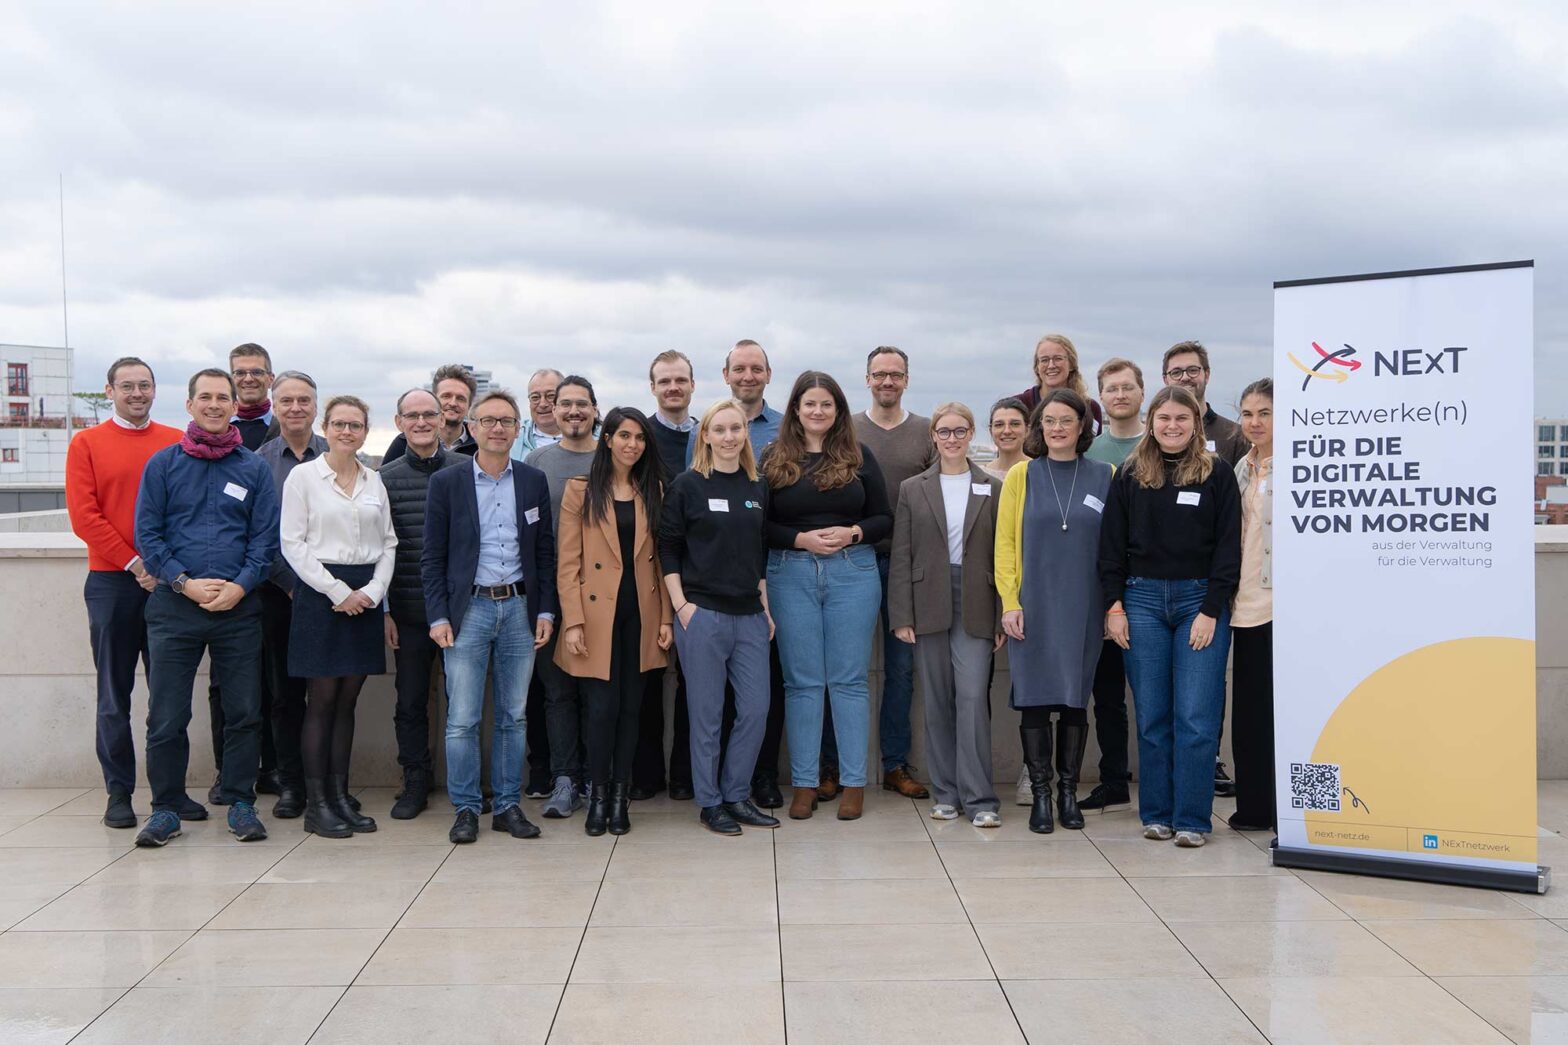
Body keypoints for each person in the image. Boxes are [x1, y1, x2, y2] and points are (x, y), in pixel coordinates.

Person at [132, 368, 280, 847]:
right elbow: (148, 536)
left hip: (239, 611)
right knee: (167, 717)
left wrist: (239, 586)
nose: (215, 404)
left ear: (235, 405)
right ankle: (166, 809)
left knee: (244, 712)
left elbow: (265, 541)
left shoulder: (253, 468)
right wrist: (184, 583)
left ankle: (239, 803)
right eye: (206, 397)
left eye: (223, 397)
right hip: (175, 609)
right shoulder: (163, 465)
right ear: (190, 404)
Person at [1100, 386, 1241, 848]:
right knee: (1153, 717)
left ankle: (1193, 820)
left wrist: (1211, 610)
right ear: (1150, 421)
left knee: (1197, 717)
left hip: (1199, 603)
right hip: (1140, 603)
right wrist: (1114, 607)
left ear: (1196, 423)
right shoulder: (1129, 475)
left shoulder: (1217, 474)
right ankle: (1157, 815)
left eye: (1182, 418)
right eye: (1164, 418)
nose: (1173, 426)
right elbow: (1110, 549)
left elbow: (1228, 550)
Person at [423, 389, 558, 844]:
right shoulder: (447, 483)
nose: (498, 428)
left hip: (520, 609)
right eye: (489, 420)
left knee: (513, 716)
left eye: (507, 421)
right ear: (473, 427)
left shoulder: (533, 480)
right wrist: (438, 615)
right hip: (469, 611)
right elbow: (432, 557)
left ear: (518, 428)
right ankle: (465, 808)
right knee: (461, 717)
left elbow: (544, 551)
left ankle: (507, 805)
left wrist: (545, 609)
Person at [763, 371, 891, 821]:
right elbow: (759, 526)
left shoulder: (859, 456)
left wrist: (854, 531)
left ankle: (854, 783)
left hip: (853, 573)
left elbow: (883, 519)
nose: (818, 412)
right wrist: (800, 540)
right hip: (789, 573)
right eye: (809, 404)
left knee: (849, 681)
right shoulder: (772, 459)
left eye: (827, 405)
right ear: (796, 409)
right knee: (802, 683)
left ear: (838, 412)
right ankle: (804, 783)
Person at [66, 356, 184, 828]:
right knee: (114, 694)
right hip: (113, 584)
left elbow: (187, 513)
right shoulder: (86, 443)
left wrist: (162, 569)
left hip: (167, 583)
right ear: (110, 391)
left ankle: (169, 795)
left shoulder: (176, 441)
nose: (137, 393)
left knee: (169, 695)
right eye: (127, 386)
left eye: (145, 385)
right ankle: (118, 793)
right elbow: (85, 516)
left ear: (156, 390)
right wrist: (136, 564)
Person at [661, 398, 780, 835]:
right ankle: (710, 801)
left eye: (737, 429)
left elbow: (759, 554)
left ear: (745, 435)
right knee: (707, 716)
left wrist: (765, 610)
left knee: (754, 710)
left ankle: (736, 793)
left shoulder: (757, 487)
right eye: (720, 429)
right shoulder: (687, 486)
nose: (729, 437)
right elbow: (668, 549)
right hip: (702, 615)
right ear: (705, 435)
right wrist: (682, 607)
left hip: (749, 615)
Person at [280, 395, 397, 837]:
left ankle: (340, 795)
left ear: (366, 431)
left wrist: (371, 592)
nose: (347, 432)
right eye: (340, 424)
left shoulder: (374, 480)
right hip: (321, 595)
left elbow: (388, 543)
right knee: (322, 702)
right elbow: (293, 544)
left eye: (356, 425)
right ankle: (318, 805)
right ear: (325, 428)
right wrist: (337, 591)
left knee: (349, 702)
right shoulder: (303, 477)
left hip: (364, 597)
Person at [996, 390, 1113, 834]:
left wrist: (1111, 605)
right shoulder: (1022, 476)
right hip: (1033, 604)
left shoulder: (1106, 474)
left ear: (1083, 427)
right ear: (1039, 428)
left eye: (1067, 420)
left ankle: (1068, 793)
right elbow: (1004, 545)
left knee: (1074, 700)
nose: (1058, 427)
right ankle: (1041, 796)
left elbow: (1113, 548)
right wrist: (1010, 603)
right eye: (1050, 421)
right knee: (1034, 699)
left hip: (1085, 605)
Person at [555, 407, 674, 836]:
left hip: (641, 614)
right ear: (607, 439)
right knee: (601, 710)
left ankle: (621, 798)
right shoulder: (581, 491)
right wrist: (573, 621)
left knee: (631, 710)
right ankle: (598, 796)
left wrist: (664, 619)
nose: (632, 445)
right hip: (595, 615)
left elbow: (662, 561)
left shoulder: (654, 489)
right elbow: (567, 563)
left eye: (640, 438)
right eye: (624, 436)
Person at [889, 403, 1003, 826]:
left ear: (971, 433)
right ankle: (946, 794)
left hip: (976, 599)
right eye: (943, 431)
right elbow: (902, 554)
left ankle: (981, 800)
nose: (951, 439)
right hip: (927, 601)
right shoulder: (912, 489)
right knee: (936, 700)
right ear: (933, 436)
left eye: (959, 431)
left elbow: (1001, 555)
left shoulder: (991, 485)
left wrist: (999, 616)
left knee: (972, 698)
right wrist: (902, 614)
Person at [1160, 340, 1249, 797]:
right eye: (1176, 373)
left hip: (1216, 584)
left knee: (1205, 689)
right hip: (1155, 590)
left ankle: (1209, 760)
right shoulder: (1151, 445)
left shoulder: (1234, 434)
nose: (1185, 379)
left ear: (1207, 375)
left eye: (1192, 371)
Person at [850, 346, 934, 803]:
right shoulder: (849, 431)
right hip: (856, 563)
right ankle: (833, 766)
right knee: (847, 670)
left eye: (895, 375)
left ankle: (894, 765)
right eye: (879, 374)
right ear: (867, 379)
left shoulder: (925, 432)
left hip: (908, 567)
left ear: (906, 379)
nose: (887, 381)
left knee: (902, 671)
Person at [379, 388, 468, 819]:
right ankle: (414, 780)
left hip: (462, 611)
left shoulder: (466, 470)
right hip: (409, 612)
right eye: (411, 416)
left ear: (442, 420)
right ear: (399, 422)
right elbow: (380, 548)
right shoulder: (385, 478)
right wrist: (387, 612)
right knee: (410, 701)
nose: (420, 422)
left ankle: (462, 782)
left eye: (428, 414)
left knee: (462, 702)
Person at [205, 343, 281, 806]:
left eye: (256, 371)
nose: (248, 378)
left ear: (269, 377)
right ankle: (226, 771)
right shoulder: (215, 433)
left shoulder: (285, 427)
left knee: (275, 681)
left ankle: (271, 767)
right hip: (225, 585)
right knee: (223, 686)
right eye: (240, 372)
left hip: (277, 583)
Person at [253, 371, 330, 820]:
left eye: (304, 400)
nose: (296, 407)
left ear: (316, 407)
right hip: (279, 596)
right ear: (274, 405)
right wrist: (292, 583)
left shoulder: (336, 454)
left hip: (330, 595)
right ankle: (292, 786)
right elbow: (260, 535)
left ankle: (327, 785)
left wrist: (322, 586)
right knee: (284, 696)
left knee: (328, 695)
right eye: (287, 401)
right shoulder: (258, 463)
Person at [1072, 357, 1147, 813]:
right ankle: (1114, 779)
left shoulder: (1157, 444)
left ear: (1142, 392)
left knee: (1156, 694)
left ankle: (1164, 779)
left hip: (1154, 586)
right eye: (1111, 389)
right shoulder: (1092, 456)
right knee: (1108, 695)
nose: (1119, 395)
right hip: (1104, 589)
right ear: (1101, 397)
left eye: (1127, 387)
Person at [714, 339, 786, 808]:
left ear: (768, 373)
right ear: (726, 374)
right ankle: (717, 780)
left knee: (768, 682)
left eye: (756, 368)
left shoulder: (785, 430)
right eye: (739, 368)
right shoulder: (711, 426)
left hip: (771, 570)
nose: (747, 376)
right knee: (714, 691)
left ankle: (761, 776)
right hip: (714, 585)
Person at [524, 375, 600, 819]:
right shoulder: (537, 462)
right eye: (564, 404)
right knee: (557, 693)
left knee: (597, 691)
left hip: (602, 595)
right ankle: (565, 778)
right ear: (553, 410)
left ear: (594, 409)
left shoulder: (610, 460)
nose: (573, 411)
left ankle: (596, 774)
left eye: (581, 404)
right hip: (550, 595)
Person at [638, 350, 698, 801]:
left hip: (700, 573)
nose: (673, 387)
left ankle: (685, 774)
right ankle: (645, 774)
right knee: (648, 676)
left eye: (680, 380)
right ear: (652, 386)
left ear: (693, 385)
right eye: (665, 381)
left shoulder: (708, 435)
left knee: (697, 680)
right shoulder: (639, 438)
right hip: (646, 571)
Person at [1229, 378, 1276, 832]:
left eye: (1264, 413)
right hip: (1244, 604)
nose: (1254, 422)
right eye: (1247, 413)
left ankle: (1286, 808)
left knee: (1280, 711)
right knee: (1248, 714)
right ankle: (1256, 806)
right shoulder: (1241, 467)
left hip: (1283, 606)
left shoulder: (1299, 467)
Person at [381, 364, 479, 464]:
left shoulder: (480, 444)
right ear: (434, 400)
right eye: (446, 396)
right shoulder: (404, 443)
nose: (453, 403)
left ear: (469, 406)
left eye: (460, 398)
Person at [1011, 334, 1103, 436]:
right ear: (1037, 367)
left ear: (1071, 364)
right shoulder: (1018, 406)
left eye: (1058, 359)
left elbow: (1095, 450)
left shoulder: (1090, 408)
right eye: (1044, 360)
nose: (1051, 366)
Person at [516, 368, 565, 455]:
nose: (543, 404)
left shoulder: (593, 437)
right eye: (535, 397)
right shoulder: (513, 437)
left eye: (550, 396)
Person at [983, 397, 1030, 482]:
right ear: (991, 431)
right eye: (999, 425)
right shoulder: (981, 475)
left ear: (1027, 430)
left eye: (1015, 424)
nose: (1007, 431)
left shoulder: (1041, 472)